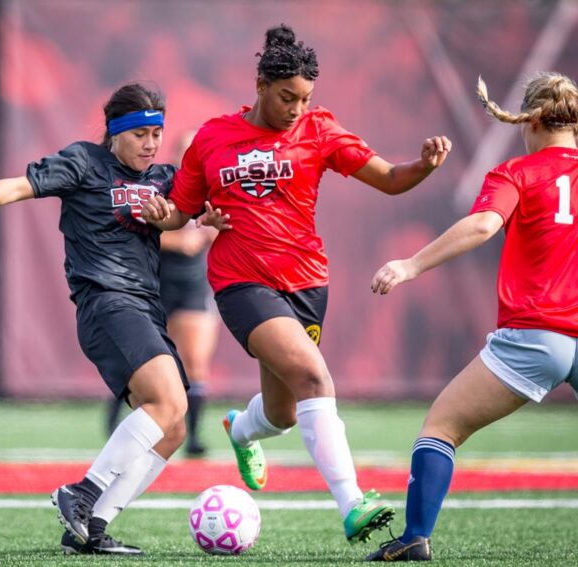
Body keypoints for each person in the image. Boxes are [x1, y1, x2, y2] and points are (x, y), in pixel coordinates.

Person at [141, 24, 452, 544]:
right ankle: (353, 504)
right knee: (314, 378)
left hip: (307, 284)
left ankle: (241, 429)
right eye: (287, 97)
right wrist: (162, 214)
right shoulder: (214, 136)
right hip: (241, 282)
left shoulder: (321, 129)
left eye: (305, 99)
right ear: (261, 84)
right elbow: (181, 212)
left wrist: (423, 164)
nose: (296, 109)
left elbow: (392, 180)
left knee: (284, 413)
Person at [0, 83, 204, 556]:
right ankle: (82, 493)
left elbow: (187, 213)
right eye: (141, 133)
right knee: (167, 403)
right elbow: (22, 185)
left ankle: (93, 526)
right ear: (115, 133)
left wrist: (191, 218)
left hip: (145, 307)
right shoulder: (85, 161)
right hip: (106, 302)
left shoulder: (163, 177)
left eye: (157, 133)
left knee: (175, 427)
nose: (151, 143)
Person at [364, 73, 578, 561]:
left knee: (440, 429)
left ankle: (415, 537)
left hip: (536, 336)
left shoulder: (516, 173)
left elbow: (483, 223)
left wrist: (409, 264)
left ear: (531, 119)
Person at [106, 130, 219, 457]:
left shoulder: (215, 187)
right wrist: (174, 240)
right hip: (154, 282)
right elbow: (132, 228)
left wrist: (212, 230)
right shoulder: (157, 185)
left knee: (195, 364)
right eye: (185, 150)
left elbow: (224, 225)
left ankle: (193, 439)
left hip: (193, 283)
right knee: (140, 360)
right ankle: (114, 423)